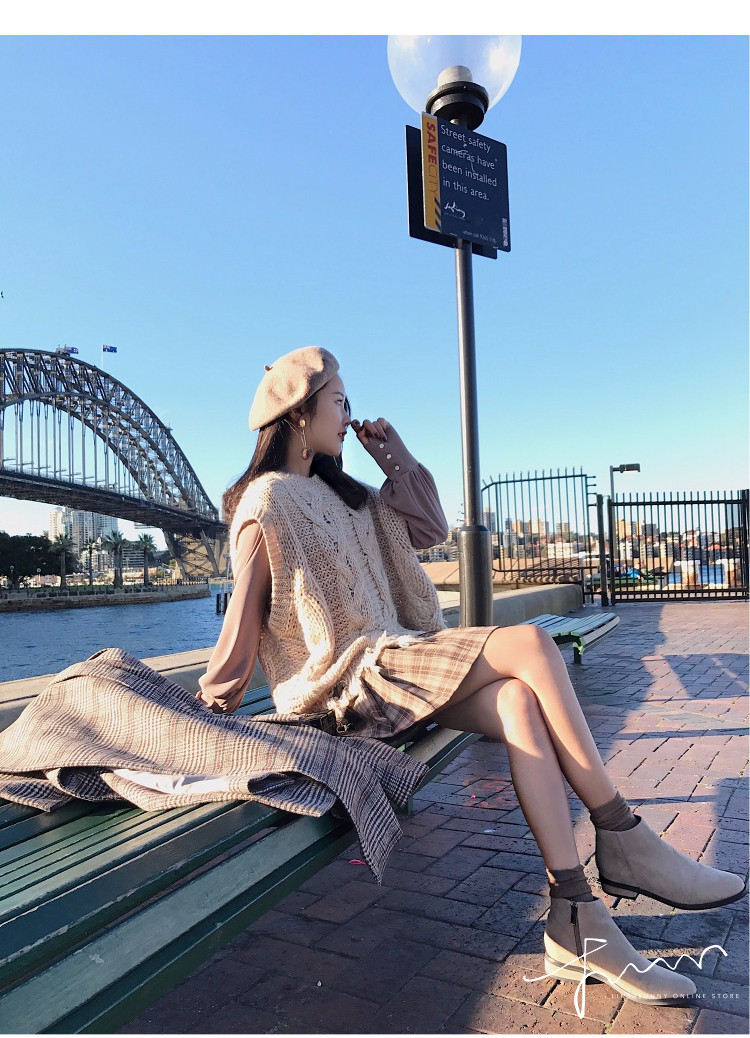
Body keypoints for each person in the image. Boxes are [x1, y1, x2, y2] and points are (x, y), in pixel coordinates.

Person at [197, 346, 746, 1008]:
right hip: (350, 687)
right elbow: (243, 626)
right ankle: (623, 835)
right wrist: (211, 708)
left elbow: (429, 528)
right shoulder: (266, 503)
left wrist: (394, 456)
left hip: (397, 665)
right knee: (532, 644)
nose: (348, 415)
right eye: (338, 402)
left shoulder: (349, 496)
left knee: (517, 700)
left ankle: (575, 912)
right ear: (297, 413)